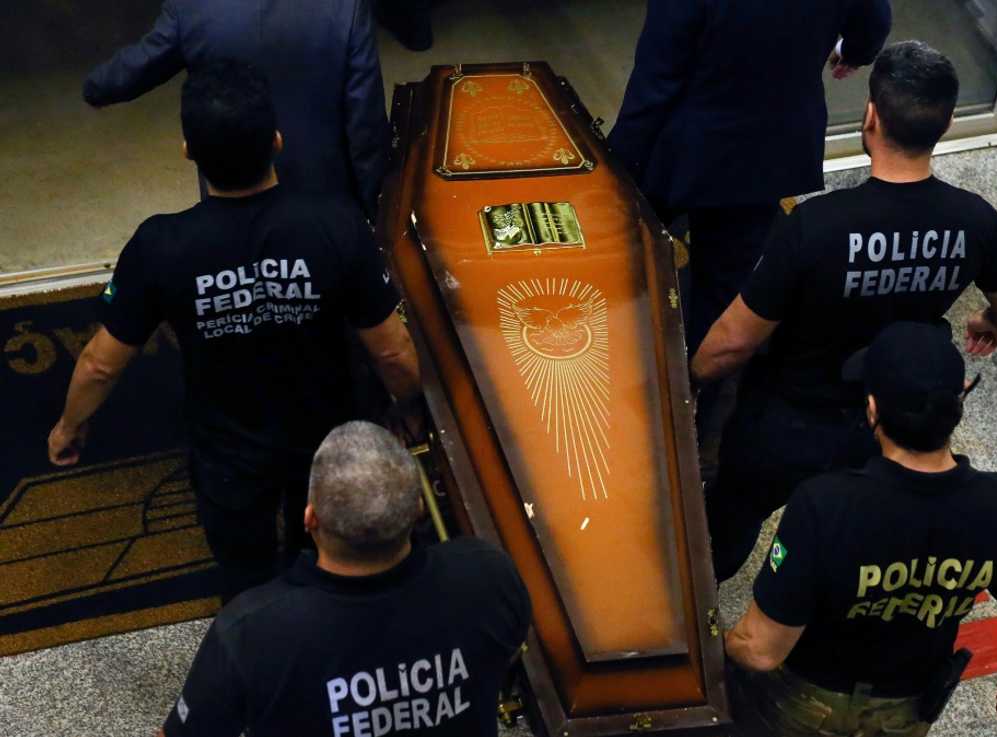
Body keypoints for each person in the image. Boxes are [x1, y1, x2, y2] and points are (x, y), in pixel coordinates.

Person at [48, 62, 421, 603]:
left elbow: (99, 364)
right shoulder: (336, 225)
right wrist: (409, 404)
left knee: (242, 570)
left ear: (187, 151)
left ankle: (253, 625)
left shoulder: (160, 245)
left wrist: (69, 426)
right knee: (320, 558)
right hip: (321, 441)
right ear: (276, 141)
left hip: (227, 455)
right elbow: (392, 350)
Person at [691, 41, 997, 582]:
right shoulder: (976, 221)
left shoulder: (814, 226)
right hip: (890, 430)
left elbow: (733, 342)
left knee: (728, 522)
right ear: (944, 127)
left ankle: (704, 591)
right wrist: (991, 323)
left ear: (871, 116)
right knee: (853, 536)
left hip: (787, 420)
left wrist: (686, 381)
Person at [723, 322, 997, 737]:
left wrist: (717, 645)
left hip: (805, 703)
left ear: (871, 409)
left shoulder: (823, 504)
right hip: (907, 707)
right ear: (959, 401)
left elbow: (759, 650)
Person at [160, 421, 532, 737]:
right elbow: (506, 654)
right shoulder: (488, 575)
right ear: (418, 508)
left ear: (310, 519)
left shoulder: (248, 632)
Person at [609, 0, 892, 354]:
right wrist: (851, 50)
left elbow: (656, 80)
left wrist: (615, 167)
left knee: (628, 263)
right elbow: (873, 22)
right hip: (767, 153)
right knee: (720, 292)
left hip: (682, 146)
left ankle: (618, 371)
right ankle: (695, 394)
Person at [82, 0, 389, 216]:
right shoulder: (346, 6)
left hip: (231, 195)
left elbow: (142, 64)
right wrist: (373, 207)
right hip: (325, 195)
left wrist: (95, 87)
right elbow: (366, 122)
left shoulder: (193, 7)